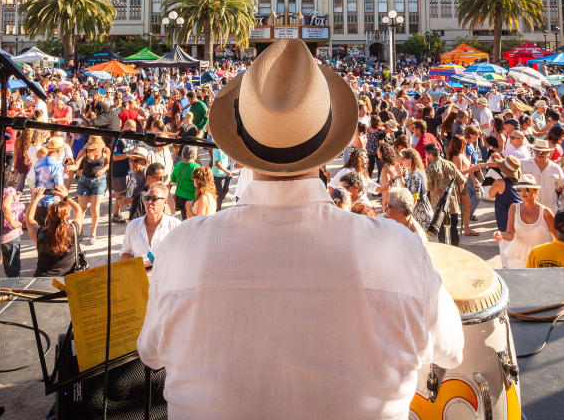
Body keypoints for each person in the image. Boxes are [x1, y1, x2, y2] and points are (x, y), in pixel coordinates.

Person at [138, 40, 463, 418]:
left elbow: (151, 353)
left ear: (240, 143)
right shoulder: (399, 249)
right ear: (327, 141)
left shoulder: (181, 247)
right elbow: (452, 350)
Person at [494, 174, 555, 268]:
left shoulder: (546, 212)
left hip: (541, 261)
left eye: (526, 189)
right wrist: (500, 234)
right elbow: (510, 234)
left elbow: (558, 238)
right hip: (517, 260)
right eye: (519, 189)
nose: (522, 192)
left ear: (536, 191)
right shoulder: (514, 208)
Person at [26, 185, 85, 277]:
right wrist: (65, 197)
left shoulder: (40, 234)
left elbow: (29, 218)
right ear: (67, 216)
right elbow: (78, 210)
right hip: (68, 280)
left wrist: (35, 199)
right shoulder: (73, 230)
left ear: (48, 216)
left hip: (43, 280)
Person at [121, 183, 181, 268]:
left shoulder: (174, 225)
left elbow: (181, 254)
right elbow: (125, 252)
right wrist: (135, 265)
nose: (149, 202)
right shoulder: (132, 225)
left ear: (165, 201)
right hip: (140, 278)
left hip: (165, 278)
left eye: (154, 199)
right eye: (147, 198)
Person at [425, 142, 466, 247]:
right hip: (452, 204)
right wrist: (460, 197)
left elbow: (428, 187)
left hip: (439, 207)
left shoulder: (430, 168)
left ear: (430, 154)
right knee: (453, 230)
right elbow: (462, 181)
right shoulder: (451, 164)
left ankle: (445, 253)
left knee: (442, 231)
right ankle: (456, 250)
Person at [71, 136, 111, 244]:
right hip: (84, 181)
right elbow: (76, 165)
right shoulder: (84, 151)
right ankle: (80, 232)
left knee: (94, 208)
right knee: (82, 208)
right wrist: (70, 167)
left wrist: (102, 170)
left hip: (99, 181)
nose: (92, 149)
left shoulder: (105, 150)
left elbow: (108, 164)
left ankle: (93, 233)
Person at [520, 139, 564, 212]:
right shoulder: (523, 164)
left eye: (542, 152)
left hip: (550, 209)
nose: (539, 154)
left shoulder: (556, 168)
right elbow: (510, 166)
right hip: (530, 210)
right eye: (536, 151)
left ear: (548, 153)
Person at [400, 148, 433, 228]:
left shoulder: (414, 175)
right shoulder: (417, 172)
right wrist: (400, 176)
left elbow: (415, 196)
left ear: (410, 160)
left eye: (403, 159)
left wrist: (408, 212)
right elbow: (407, 187)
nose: (401, 161)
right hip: (422, 211)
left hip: (420, 213)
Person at [170, 145, 200, 220]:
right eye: (197, 153)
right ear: (193, 154)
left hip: (179, 197)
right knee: (191, 218)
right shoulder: (196, 167)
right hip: (191, 198)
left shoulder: (178, 165)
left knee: (184, 216)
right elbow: (199, 184)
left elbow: (173, 179)